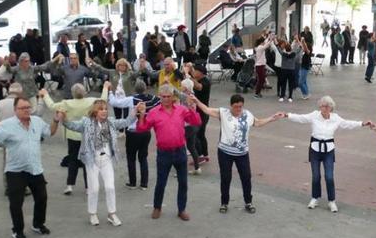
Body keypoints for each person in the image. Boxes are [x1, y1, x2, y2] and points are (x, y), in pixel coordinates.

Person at [58, 99, 143, 227]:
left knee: (110, 187)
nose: (104, 111)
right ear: (94, 111)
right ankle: (92, 213)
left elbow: (125, 122)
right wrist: (64, 119)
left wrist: (135, 111)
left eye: (105, 109)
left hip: (106, 159)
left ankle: (111, 214)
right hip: (92, 160)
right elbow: (72, 126)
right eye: (101, 109)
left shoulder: (111, 122)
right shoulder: (86, 123)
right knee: (94, 188)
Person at [193, 95, 283, 214]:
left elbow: (258, 122)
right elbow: (206, 109)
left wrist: (272, 118)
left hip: (242, 153)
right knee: (226, 178)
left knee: (246, 177)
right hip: (225, 152)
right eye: (236, 107)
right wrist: (196, 101)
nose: (238, 109)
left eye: (240, 106)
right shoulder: (223, 113)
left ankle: (248, 202)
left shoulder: (247, 115)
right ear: (231, 106)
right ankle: (224, 203)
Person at [0, 97, 56, 238]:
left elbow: (50, 132)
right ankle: (17, 230)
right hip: (15, 170)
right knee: (16, 203)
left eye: (28, 107)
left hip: (35, 168)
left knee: (42, 198)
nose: (26, 110)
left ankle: (38, 224)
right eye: (23, 108)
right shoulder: (7, 125)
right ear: (15, 110)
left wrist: (56, 120)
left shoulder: (37, 121)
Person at [284, 96, 369, 213]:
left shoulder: (336, 118)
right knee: (316, 176)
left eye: (325, 106)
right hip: (315, 149)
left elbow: (347, 124)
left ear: (330, 108)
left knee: (329, 176)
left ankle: (331, 201)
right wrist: (287, 115)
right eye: (321, 106)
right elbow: (301, 118)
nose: (323, 108)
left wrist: (362, 124)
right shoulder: (314, 115)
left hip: (329, 150)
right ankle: (315, 198)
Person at [136, 84, 201, 221]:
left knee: (183, 183)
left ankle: (181, 209)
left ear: (173, 97)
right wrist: (141, 115)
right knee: (161, 183)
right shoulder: (154, 112)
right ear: (159, 96)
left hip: (180, 151)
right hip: (163, 153)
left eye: (168, 96)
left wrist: (192, 107)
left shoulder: (181, 110)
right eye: (163, 96)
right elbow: (142, 129)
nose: (166, 99)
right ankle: (157, 207)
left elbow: (196, 121)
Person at [40, 83, 110, 195]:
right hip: (87, 134)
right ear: (85, 92)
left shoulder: (66, 103)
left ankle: (69, 185)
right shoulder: (91, 101)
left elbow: (52, 106)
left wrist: (45, 94)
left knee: (72, 160)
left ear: (72, 93)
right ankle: (88, 187)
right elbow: (103, 100)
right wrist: (105, 87)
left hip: (72, 135)